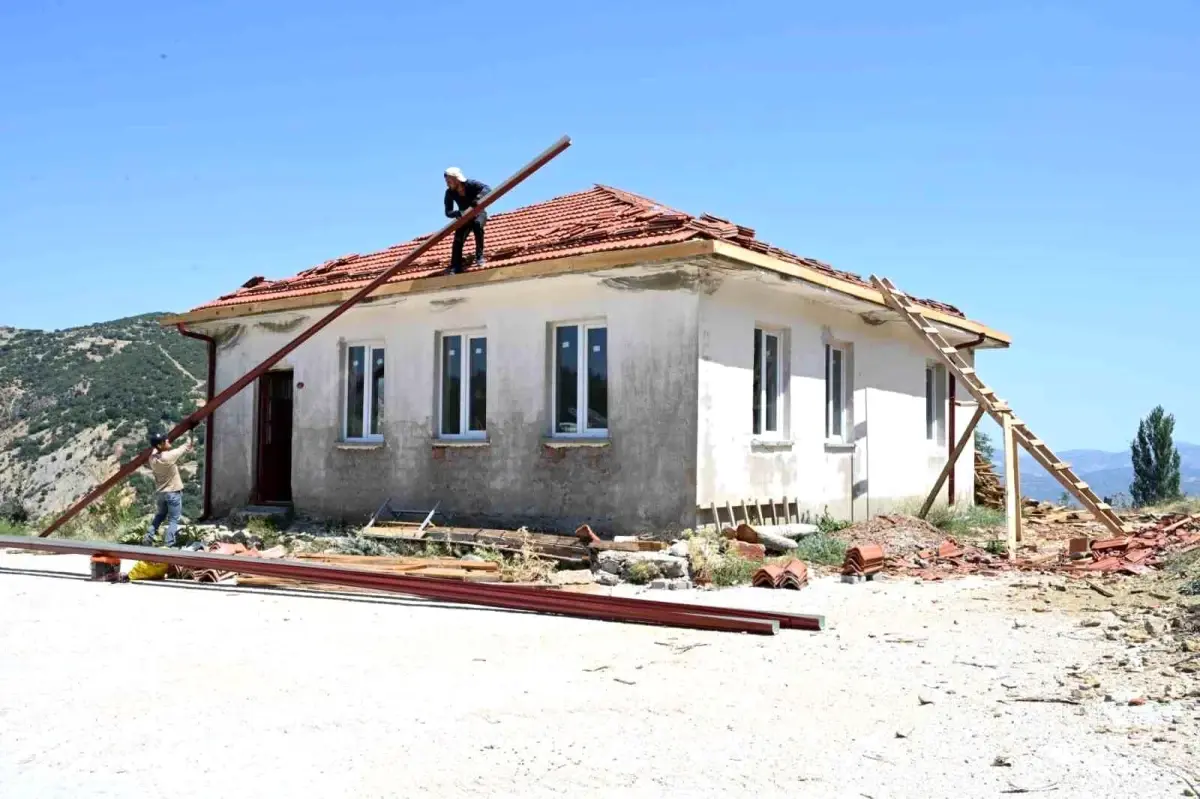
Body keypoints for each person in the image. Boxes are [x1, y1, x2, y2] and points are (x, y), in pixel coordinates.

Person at [143, 431, 192, 548]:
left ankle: (148, 536)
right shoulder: (169, 456)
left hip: (161, 493)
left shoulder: (152, 458)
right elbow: (184, 447)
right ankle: (168, 544)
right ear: (160, 445)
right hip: (173, 492)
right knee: (174, 519)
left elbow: (155, 450)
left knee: (160, 516)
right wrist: (191, 434)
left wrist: (158, 444)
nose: (168, 441)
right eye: (165, 441)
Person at [443, 167, 491, 273]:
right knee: (458, 239)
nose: (447, 184)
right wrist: (457, 213)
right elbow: (448, 212)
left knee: (477, 226)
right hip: (464, 216)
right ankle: (456, 265)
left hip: (478, 213)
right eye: (446, 182)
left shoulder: (471, 184)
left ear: (456, 179)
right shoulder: (449, 193)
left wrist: (477, 199)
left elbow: (487, 189)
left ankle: (479, 256)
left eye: (449, 181)